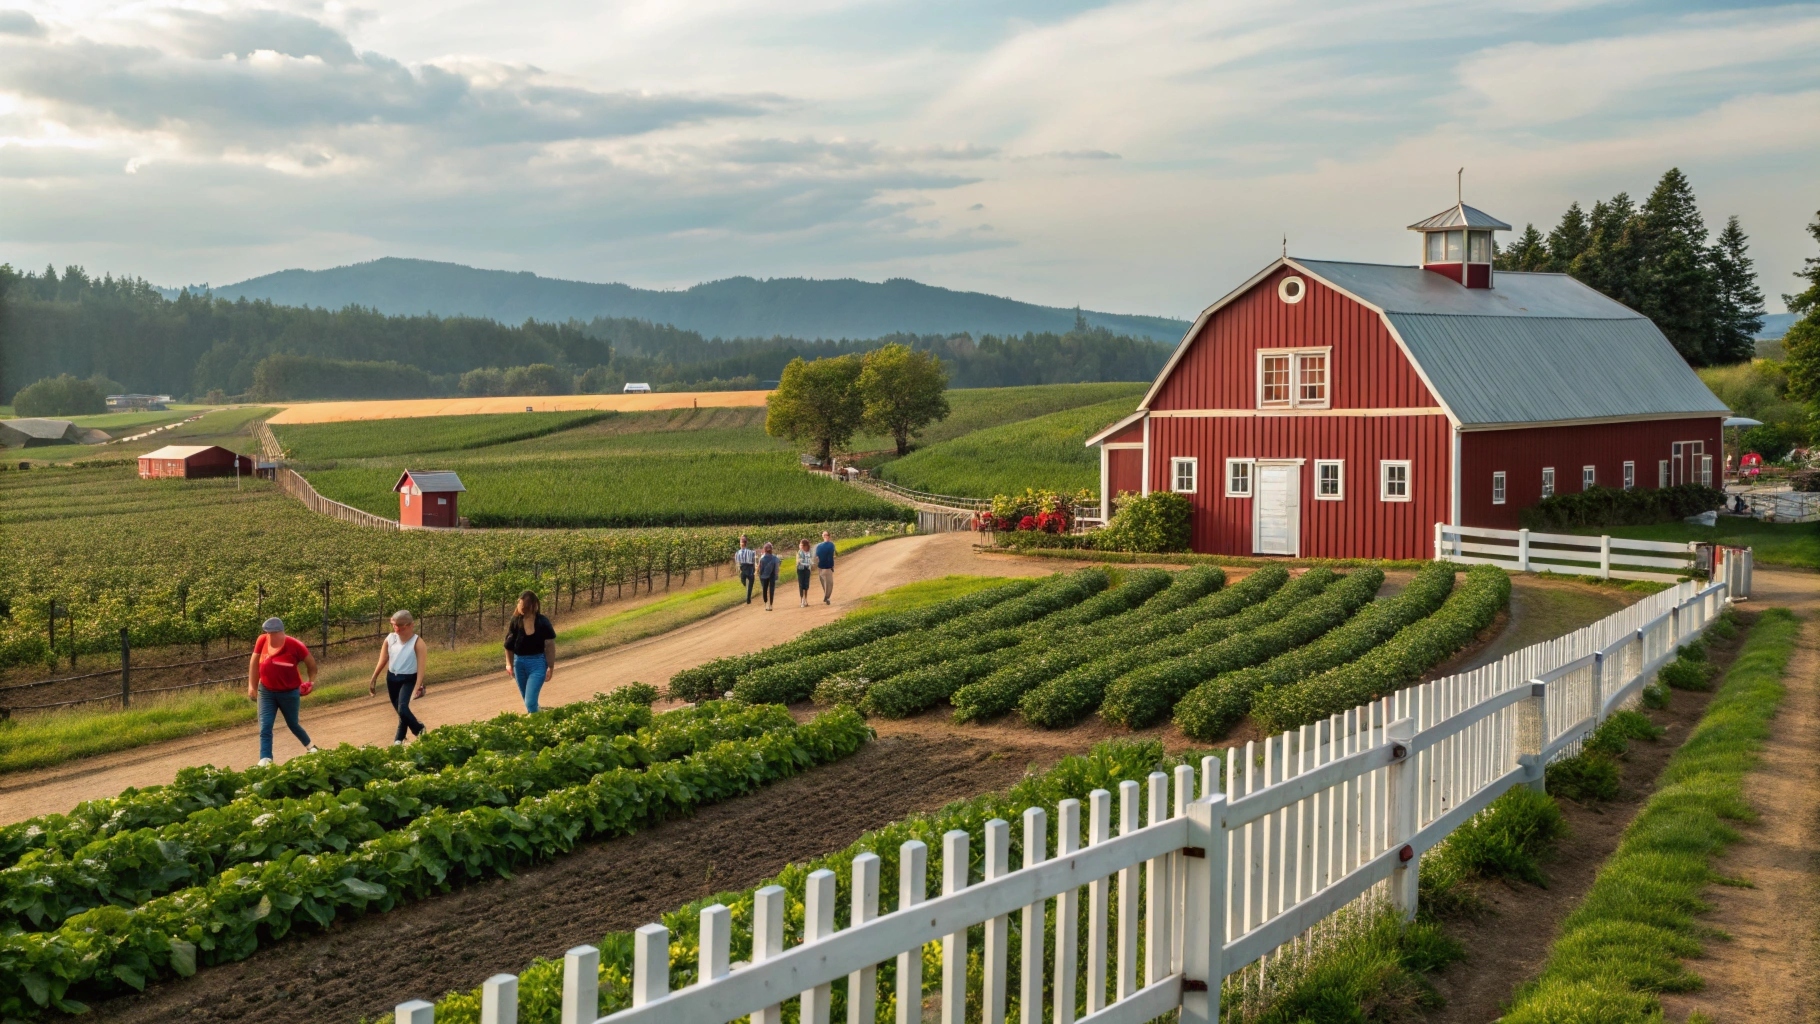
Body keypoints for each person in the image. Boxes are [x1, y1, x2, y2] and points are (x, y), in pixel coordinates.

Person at [247, 617, 319, 766]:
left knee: (293, 723)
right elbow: (254, 663)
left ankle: (311, 747)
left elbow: (312, 666)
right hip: (266, 691)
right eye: (268, 633)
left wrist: (311, 682)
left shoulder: (296, 645)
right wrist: (252, 686)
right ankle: (265, 758)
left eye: (273, 633)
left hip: (289, 692)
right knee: (265, 726)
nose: (269, 636)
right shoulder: (262, 640)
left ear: (281, 632)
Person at [370, 610, 428, 745]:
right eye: (394, 625)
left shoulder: (418, 643)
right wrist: (373, 679)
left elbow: (421, 668)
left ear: (410, 625)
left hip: (409, 679)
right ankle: (399, 741)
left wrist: (417, 686)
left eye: (399, 626)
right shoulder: (390, 639)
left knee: (403, 708)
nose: (396, 629)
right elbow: (383, 659)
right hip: (392, 679)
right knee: (401, 712)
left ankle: (418, 730)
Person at [503, 590, 557, 713]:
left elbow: (550, 645)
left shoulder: (543, 622)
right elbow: (508, 645)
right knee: (529, 704)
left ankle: (543, 716)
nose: (521, 606)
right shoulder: (515, 621)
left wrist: (551, 667)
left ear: (533, 605)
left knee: (530, 702)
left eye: (524, 604)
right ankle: (543, 718)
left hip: (537, 663)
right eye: (520, 603)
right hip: (519, 664)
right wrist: (509, 664)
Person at [814, 530, 837, 604]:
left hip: (824, 567)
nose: (825, 536)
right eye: (824, 535)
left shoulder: (820, 546)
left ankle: (827, 597)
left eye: (825, 535)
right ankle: (827, 597)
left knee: (826, 583)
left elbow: (817, 556)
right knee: (828, 583)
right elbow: (831, 556)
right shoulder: (830, 545)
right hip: (825, 567)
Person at [757, 542, 781, 611]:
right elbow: (777, 568)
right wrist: (776, 575)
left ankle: (766, 604)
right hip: (772, 575)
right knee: (771, 590)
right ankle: (771, 604)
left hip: (764, 576)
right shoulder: (775, 558)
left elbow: (760, 569)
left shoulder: (762, 558)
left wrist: (760, 575)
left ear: (764, 550)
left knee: (764, 589)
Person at [734, 535, 757, 604]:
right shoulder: (751, 552)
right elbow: (754, 561)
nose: (740, 543)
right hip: (750, 568)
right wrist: (755, 569)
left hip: (744, 568)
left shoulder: (737, 553)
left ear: (742, 543)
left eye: (740, 542)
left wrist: (738, 571)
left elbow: (737, 564)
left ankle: (748, 595)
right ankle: (748, 597)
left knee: (744, 581)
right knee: (750, 583)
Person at [795, 539, 815, 608]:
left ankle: (805, 599)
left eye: (802, 545)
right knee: (801, 585)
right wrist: (809, 564)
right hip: (800, 569)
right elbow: (799, 562)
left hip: (807, 569)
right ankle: (802, 600)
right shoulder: (799, 552)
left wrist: (812, 563)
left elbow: (811, 560)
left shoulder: (809, 552)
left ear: (806, 546)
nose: (800, 546)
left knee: (806, 585)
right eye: (800, 545)